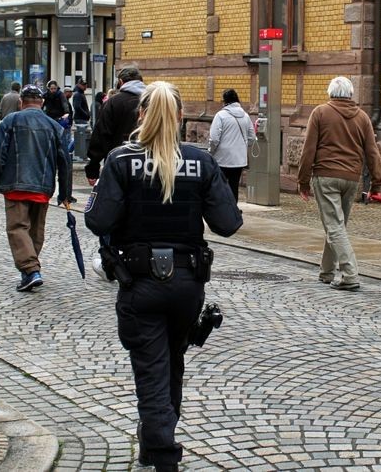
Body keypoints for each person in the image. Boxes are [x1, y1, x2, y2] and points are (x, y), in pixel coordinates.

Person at [85, 81, 242, 472]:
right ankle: (155, 442)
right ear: (179, 117)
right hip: (188, 284)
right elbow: (228, 222)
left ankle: (164, 453)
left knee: (152, 369)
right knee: (171, 363)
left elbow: (97, 219)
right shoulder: (200, 161)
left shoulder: (122, 161)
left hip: (140, 283)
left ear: (141, 116)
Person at [296, 76, 381, 292]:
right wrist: (376, 183)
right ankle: (326, 272)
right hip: (351, 179)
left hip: (325, 176)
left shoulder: (320, 113)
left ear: (330, 93)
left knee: (334, 226)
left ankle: (350, 274)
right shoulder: (362, 117)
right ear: (351, 94)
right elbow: (373, 152)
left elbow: (309, 150)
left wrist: (303, 180)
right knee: (337, 225)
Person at [0, 85, 73, 291]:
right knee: (35, 231)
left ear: (21, 102)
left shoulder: (10, 122)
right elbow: (65, 163)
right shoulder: (54, 126)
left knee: (18, 228)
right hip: (43, 186)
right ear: (42, 102)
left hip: (16, 183)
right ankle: (30, 269)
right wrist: (65, 193)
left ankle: (30, 270)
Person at [86, 66, 147, 183]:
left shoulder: (112, 103)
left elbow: (101, 136)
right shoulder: (152, 101)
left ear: (120, 82)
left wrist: (92, 169)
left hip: (119, 162)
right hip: (149, 163)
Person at [208, 88, 255, 202]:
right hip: (239, 160)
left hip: (222, 159)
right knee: (234, 186)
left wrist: (211, 152)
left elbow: (214, 139)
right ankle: (233, 210)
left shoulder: (220, 116)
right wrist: (241, 147)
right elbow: (252, 137)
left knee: (220, 186)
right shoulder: (245, 116)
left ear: (225, 101)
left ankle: (221, 209)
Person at [72, 79, 92, 160]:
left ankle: (81, 155)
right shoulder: (78, 94)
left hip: (81, 118)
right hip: (80, 119)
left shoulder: (80, 94)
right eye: (83, 84)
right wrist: (86, 114)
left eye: (86, 84)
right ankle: (80, 155)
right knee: (81, 137)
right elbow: (77, 107)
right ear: (79, 84)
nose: (85, 86)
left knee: (82, 137)